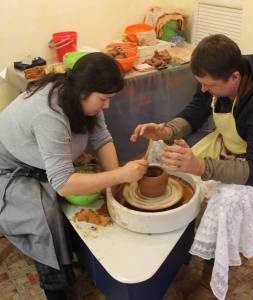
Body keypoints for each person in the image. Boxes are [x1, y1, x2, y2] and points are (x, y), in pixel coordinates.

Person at [130, 34, 253, 299]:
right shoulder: (215, 77)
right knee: (165, 148)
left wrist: (200, 167)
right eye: (202, 84)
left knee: (227, 197)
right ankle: (173, 232)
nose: (204, 90)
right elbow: (195, 114)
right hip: (232, 144)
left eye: (209, 85)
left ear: (234, 77)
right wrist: (166, 131)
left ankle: (210, 281)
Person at [0, 52, 148, 300]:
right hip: (7, 166)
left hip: (39, 160)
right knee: (45, 216)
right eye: (103, 99)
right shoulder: (48, 113)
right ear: (82, 93)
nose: (107, 106)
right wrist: (119, 175)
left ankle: (75, 252)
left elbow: (101, 138)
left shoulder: (81, 95)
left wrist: (115, 181)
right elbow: (64, 185)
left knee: (97, 188)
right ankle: (56, 287)